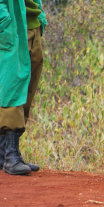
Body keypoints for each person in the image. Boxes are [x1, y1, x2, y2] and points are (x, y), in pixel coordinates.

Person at [0, 0, 47, 175]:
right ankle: (11, 157)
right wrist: (4, 21)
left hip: (31, 26)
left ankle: (4, 153)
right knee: (12, 88)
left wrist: (40, 17)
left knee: (27, 88)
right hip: (11, 27)